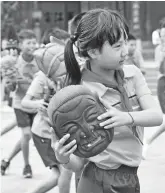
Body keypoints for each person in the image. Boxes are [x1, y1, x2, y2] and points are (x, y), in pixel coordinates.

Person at [50, 8, 163, 193]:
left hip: (130, 178)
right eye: (117, 46)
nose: (125, 51)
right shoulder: (79, 93)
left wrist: (126, 117)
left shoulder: (132, 75)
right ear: (93, 52)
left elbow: (157, 116)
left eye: (125, 42)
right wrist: (62, 157)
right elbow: (78, 164)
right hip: (97, 180)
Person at [21, 29, 72, 193]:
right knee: (65, 172)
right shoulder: (42, 77)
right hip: (44, 134)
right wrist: (38, 104)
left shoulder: (68, 74)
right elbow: (25, 102)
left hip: (56, 133)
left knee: (59, 176)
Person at [1, 29, 39, 178]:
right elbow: (11, 88)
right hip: (20, 104)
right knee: (26, 134)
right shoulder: (14, 63)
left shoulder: (40, 60)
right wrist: (10, 83)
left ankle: (6, 160)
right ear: (21, 45)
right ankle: (26, 166)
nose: (32, 45)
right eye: (28, 43)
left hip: (36, 104)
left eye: (33, 42)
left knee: (26, 137)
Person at [142, 26, 165, 159]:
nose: (163, 36)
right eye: (162, 34)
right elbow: (159, 66)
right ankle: (148, 141)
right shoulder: (159, 50)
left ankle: (148, 141)